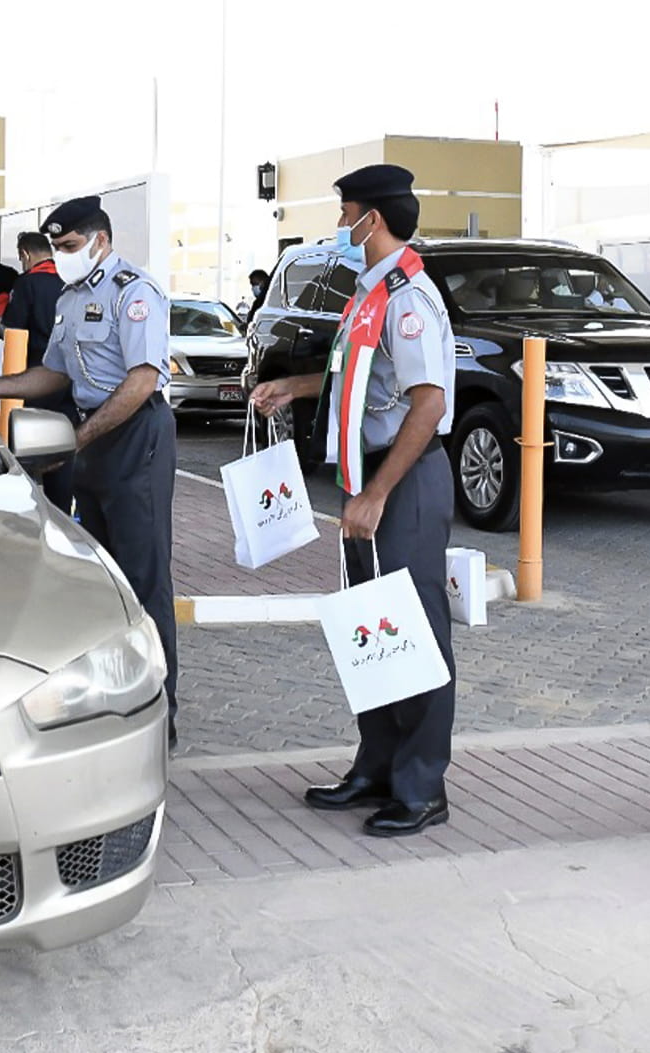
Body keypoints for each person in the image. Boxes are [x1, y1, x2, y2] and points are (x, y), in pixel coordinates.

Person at [250, 164, 459, 838]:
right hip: (369, 478)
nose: (340, 225)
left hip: (403, 480)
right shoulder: (370, 293)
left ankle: (421, 786)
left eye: (347, 214)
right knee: (369, 626)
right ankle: (377, 767)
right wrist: (295, 387)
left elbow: (428, 403)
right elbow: (358, 377)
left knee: (411, 628)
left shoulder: (407, 298)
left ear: (375, 219)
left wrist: (377, 493)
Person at [0, 196, 180, 746]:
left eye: (69, 246)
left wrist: (78, 439)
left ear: (100, 241)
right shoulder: (71, 297)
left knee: (143, 579)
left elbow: (142, 380)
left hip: (135, 434)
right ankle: (115, 702)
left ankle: (162, 713)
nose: (61, 256)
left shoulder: (135, 292)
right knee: (104, 580)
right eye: (57, 247)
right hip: (97, 434)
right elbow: (55, 374)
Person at [3, 229, 79, 514]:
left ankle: (28, 513)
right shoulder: (70, 281)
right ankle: (62, 512)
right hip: (70, 379)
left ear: (24, 254)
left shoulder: (27, 283)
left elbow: (13, 329)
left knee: (30, 447)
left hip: (36, 377)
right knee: (63, 444)